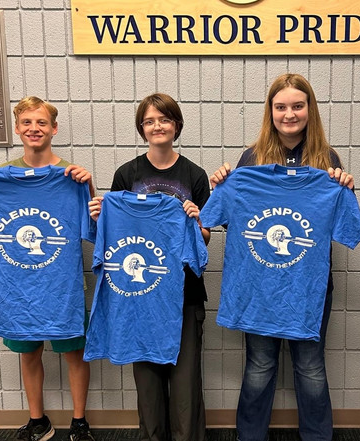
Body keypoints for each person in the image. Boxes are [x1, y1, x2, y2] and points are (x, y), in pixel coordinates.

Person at [209, 73, 356, 441]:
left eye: (297, 106)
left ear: (310, 109)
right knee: (259, 365)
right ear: (270, 112)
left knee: (310, 367)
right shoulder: (251, 159)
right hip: (259, 286)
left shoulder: (328, 160)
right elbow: (234, 222)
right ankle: (249, 436)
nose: (289, 114)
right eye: (281, 107)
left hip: (309, 287)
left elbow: (345, 228)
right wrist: (223, 186)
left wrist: (345, 191)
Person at [0, 96, 95, 441]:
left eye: (41, 123)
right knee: (29, 355)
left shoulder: (72, 176)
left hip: (61, 286)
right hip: (14, 289)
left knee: (75, 353)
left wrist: (89, 187)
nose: (34, 128)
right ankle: (38, 420)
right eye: (27, 122)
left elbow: (92, 227)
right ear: (17, 128)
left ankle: (79, 422)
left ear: (54, 129)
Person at [88, 93, 210, 441]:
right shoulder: (127, 174)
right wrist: (100, 216)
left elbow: (205, 241)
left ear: (176, 125)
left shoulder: (195, 175)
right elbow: (113, 236)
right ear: (142, 129)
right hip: (138, 297)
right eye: (149, 121)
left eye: (164, 119)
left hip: (184, 294)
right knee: (148, 387)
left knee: (186, 386)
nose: (157, 126)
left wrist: (198, 223)